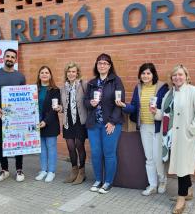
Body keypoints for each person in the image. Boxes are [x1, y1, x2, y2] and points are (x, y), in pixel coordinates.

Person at [151, 65, 195, 214]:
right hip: (169, 137)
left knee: (182, 167)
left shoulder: (194, 92)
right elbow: (165, 114)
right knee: (181, 165)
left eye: (180, 75)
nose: (177, 78)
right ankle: (188, 191)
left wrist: (190, 131)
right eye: (174, 75)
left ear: (186, 76)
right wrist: (156, 112)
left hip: (184, 136)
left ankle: (182, 199)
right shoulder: (170, 93)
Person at [115, 63, 169, 196]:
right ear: (140, 75)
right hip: (145, 126)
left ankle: (163, 180)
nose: (145, 76)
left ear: (153, 74)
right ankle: (152, 185)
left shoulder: (162, 87)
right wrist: (124, 106)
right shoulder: (138, 87)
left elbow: (167, 107)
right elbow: (134, 107)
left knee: (157, 158)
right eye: (143, 73)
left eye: (148, 73)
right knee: (149, 158)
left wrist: (157, 111)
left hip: (158, 127)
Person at [85, 53, 125, 194]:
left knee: (109, 153)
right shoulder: (91, 83)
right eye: (99, 63)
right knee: (96, 153)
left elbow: (119, 103)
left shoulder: (116, 81)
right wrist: (90, 103)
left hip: (110, 124)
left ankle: (108, 182)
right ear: (96, 65)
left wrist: (113, 121)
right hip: (94, 124)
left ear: (109, 66)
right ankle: (98, 180)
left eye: (105, 63)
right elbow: (85, 102)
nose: (102, 65)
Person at [0, 48, 26, 183]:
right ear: (3, 58)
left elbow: (24, 96)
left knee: (18, 141)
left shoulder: (20, 76)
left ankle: (19, 169)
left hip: (16, 116)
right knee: (1, 142)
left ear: (15, 60)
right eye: (7, 56)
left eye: (12, 57)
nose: (10, 59)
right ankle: (5, 170)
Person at [56, 62, 88, 185]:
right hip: (67, 121)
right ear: (66, 73)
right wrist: (60, 108)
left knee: (79, 145)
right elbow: (63, 106)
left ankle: (82, 172)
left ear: (77, 73)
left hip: (80, 120)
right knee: (70, 147)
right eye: (69, 71)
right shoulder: (63, 88)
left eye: (73, 71)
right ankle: (74, 170)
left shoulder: (83, 85)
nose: (71, 74)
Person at [34, 66, 61, 183]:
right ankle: (44, 170)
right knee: (42, 148)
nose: (44, 74)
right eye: (42, 72)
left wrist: (45, 121)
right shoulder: (34, 89)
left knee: (51, 147)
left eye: (46, 73)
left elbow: (53, 109)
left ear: (50, 75)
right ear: (39, 75)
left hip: (50, 122)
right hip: (37, 122)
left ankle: (51, 171)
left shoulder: (55, 90)